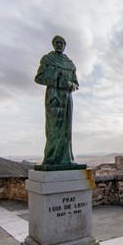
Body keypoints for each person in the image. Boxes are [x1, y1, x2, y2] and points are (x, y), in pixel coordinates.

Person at [34, 35, 79, 166]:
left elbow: (76, 84)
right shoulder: (48, 59)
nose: (59, 44)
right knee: (53, 128)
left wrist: (69, 85)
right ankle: (51, 159)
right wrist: (56, 79)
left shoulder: (70, 63)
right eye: (57, 42)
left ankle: (66, 159)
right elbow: (39, 78)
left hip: (67, 97)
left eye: (61, 43)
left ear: (65, 45)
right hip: (53, 96)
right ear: (53, 45)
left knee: (66, 129)